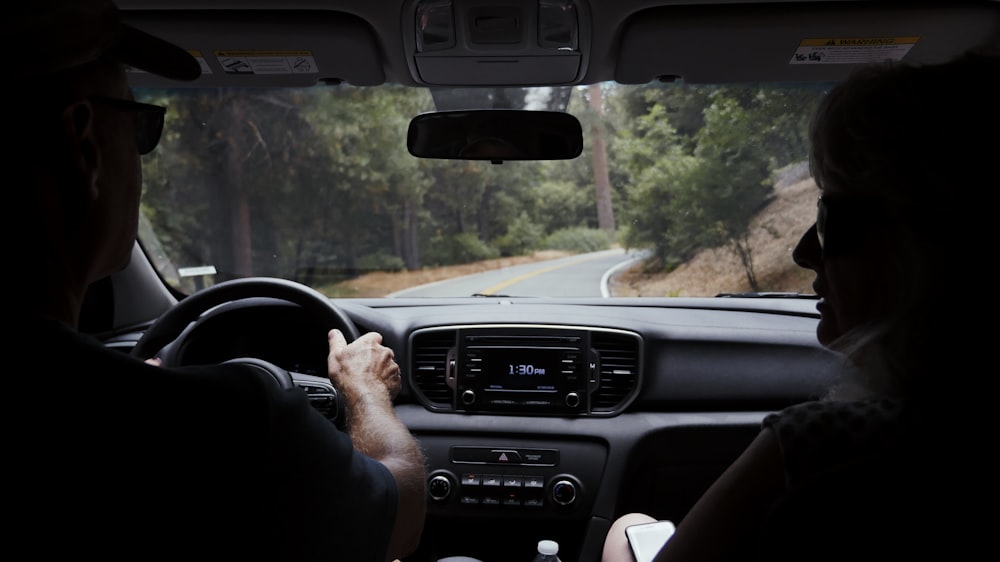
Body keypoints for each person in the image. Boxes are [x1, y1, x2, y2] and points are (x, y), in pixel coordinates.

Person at [10, 1, 425, 560]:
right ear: (84, 147)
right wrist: (367, 392)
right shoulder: (230, 425)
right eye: (138, 125)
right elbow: (398, 508)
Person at [601, 46, 998, 562]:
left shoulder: (824, 446)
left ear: (933, 244)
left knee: (628, 527)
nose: (804, 251)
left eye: (834, 218)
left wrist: (623, 537)